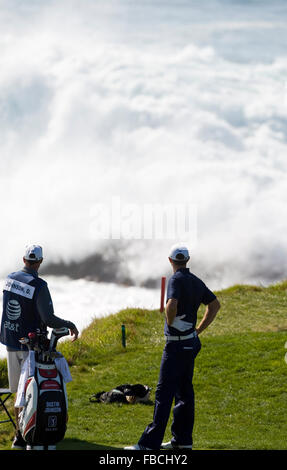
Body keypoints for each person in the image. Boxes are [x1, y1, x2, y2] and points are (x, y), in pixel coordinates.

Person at [125, 244, 220, 450]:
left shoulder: (175, 279)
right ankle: (183, 441)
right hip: (191, 343)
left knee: (164, 394)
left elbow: (171, 305)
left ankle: (150, 444)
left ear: (170, 261)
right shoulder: (195, 281)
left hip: (175, 347)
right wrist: (198, 330)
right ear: (187, 260)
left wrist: (170, 321)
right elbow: (214, 305)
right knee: (185, 392)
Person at [0, 244, 79, 449]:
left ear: (24, 259)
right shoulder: (39, 285)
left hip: (10, 341)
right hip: (31, 348)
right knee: (31, 391)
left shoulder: (9, 279)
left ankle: (20, 436)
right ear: (40, 262)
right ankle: (31, 435)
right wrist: (69, 325)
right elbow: (48, 318)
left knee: (18, 392)